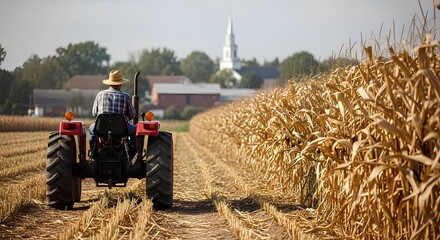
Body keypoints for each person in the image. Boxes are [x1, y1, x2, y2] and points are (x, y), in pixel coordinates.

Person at [88, 70, 136, 148]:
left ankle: (95, 153)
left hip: (101, 129)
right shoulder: (125, 96)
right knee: (136, 130)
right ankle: (132, 152)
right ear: (120, 84)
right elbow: (132, 115)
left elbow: (94, 113)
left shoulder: (100, 94)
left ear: (110, 83)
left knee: (91, 130)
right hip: (122, 130)